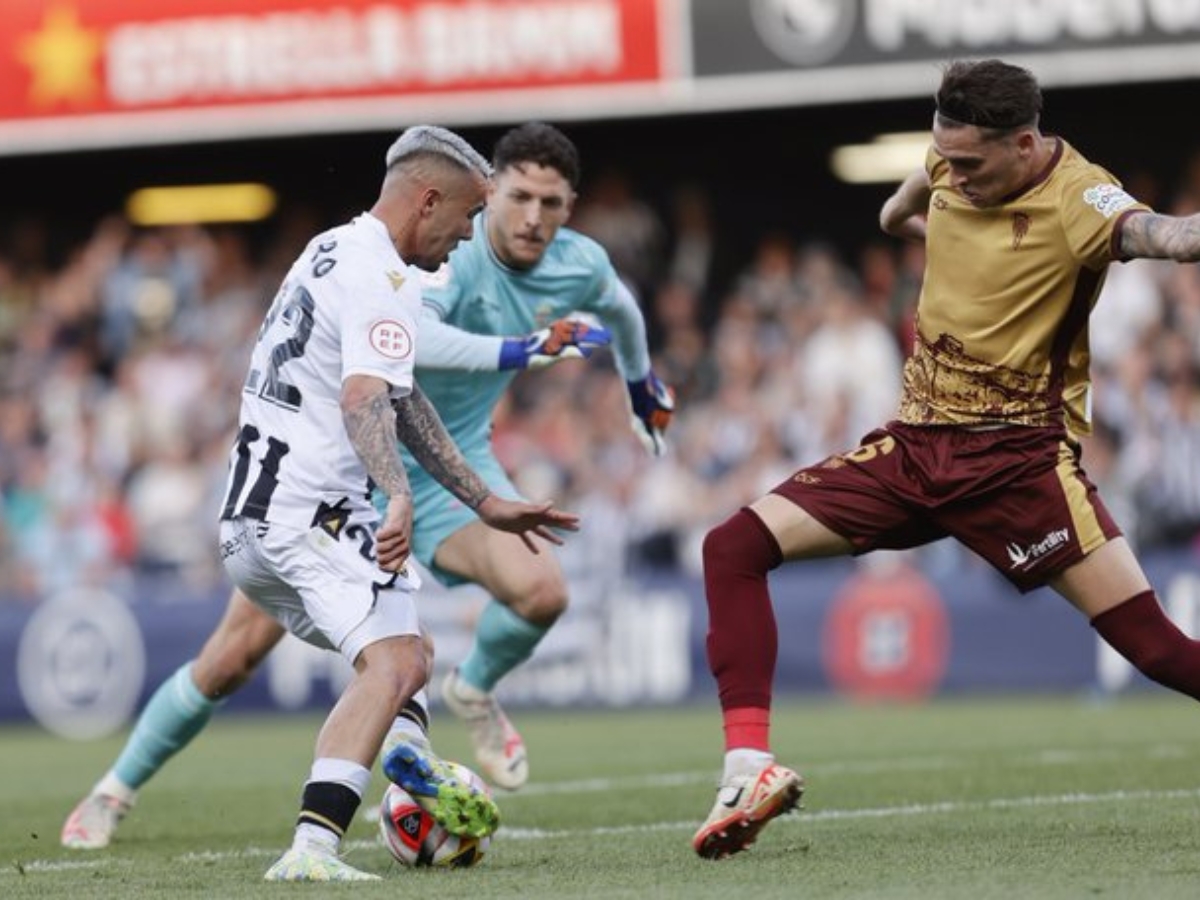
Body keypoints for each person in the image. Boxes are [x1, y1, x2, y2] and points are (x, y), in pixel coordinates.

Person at [61, 122, 672, 851]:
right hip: (344, 481)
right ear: (459, 198)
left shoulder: (559, 263)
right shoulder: (426, 263)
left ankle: (458, 707)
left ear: (570, 207)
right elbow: (383, 379)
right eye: (506, 201)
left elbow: (411, 384)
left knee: (527, 597)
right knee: (235, 659)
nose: (526, 218)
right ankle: (119, 792)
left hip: (427, 468)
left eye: (551, 202)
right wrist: (523, 350)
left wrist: (639, 383)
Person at [691, 58, 1200, 861]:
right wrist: (911, 217)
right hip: (914, 447)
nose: (952, 174)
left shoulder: (1079, 196)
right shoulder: (945, 160)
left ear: (1027, 144)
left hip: (1017, 467)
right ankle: (748, 767)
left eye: (969, 164)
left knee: (1158, 649)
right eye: (944, 157)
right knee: (732, 547)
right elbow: (902, 207)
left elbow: (1162, 234)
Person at [134, 124, 576, 882]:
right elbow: (367, 395)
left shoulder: (329, 249)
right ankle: (313, 848)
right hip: (309, 513)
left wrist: (485, 502)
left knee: (412, 653)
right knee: (396, 659)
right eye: (466, 216)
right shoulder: (384, 277)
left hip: (253, 521)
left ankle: (408, 771)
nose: (467, 235)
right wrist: (399, 496)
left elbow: (404, 405)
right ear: (427, 199)